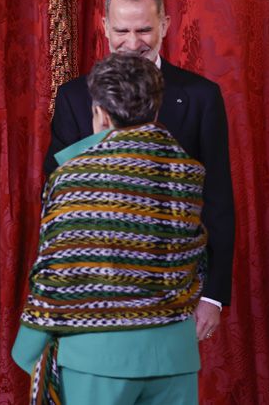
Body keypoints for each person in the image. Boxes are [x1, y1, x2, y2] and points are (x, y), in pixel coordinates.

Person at [44, 0, 234, 338]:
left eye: (145, 29)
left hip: (177, 294)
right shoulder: (73, 98)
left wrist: (214, 294)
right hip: (93, 294)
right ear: (104, 27)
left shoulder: (202, 97)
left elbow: (218, 200)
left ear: (165, 25)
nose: (133, 43)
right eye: (122, 30)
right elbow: (55, 195)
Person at [14, 53, 208, 404]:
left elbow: (56, 272)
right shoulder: (187, 174)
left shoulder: (73, 177)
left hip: (97, 355)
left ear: (101, 113)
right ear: (156, 109)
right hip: (174, 355)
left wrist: (29, 346)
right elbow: (193, 260)